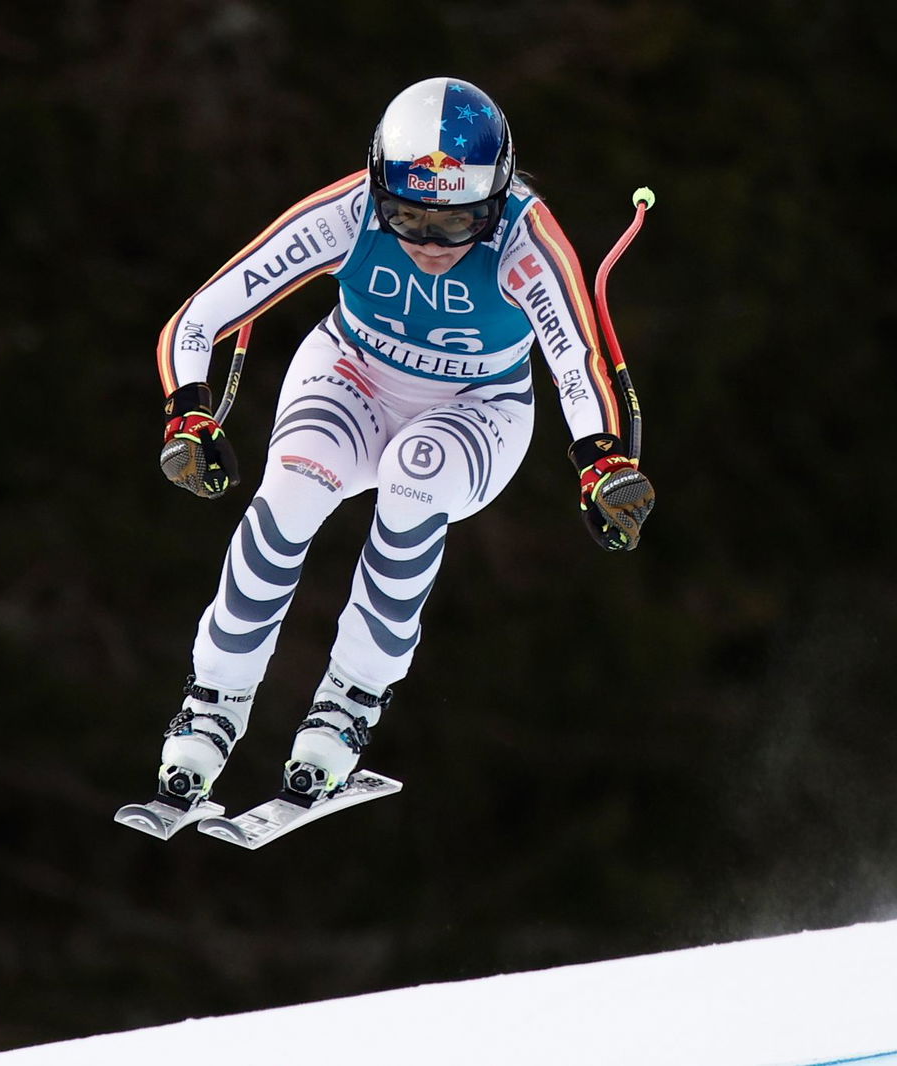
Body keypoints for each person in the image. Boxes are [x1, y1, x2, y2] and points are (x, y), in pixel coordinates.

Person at [145, 76, 655, 809]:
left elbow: (576, 359)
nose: (428, 244)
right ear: (379, 186)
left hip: (478, 405)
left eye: (456, 223)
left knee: (416, 479)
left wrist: (600, 461)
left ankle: (350, 702)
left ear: (497, 197)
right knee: (290, 489)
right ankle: (212, 703)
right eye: (406, 216)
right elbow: (197, 318)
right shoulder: (350, 211)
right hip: (351, 372)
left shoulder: (524, 237)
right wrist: (188, 415)